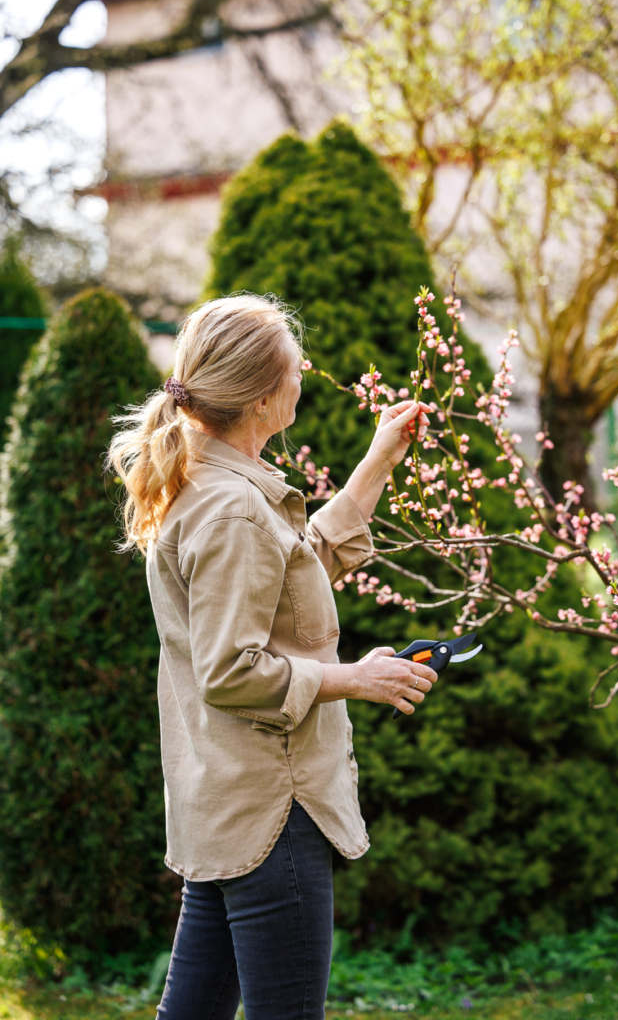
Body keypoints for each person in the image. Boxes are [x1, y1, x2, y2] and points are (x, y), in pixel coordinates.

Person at [107, 293, 436, 1020]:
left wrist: (376, 462)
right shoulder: (231, 508)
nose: (304, 374)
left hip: (228, 800)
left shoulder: (219, 489)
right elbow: (231, 671)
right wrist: (357, 677)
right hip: (271, 808)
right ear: (262, 397)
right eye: (295, 368)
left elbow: (293, 569)